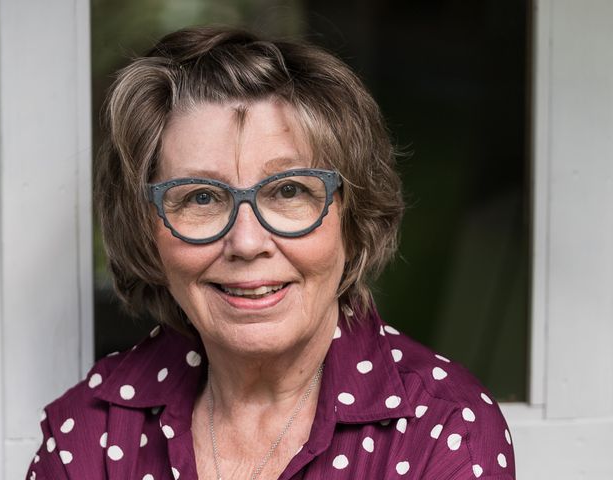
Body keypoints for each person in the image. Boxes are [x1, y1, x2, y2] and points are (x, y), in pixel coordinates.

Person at [26, 26, 515, 480]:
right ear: (145, 229)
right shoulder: (91, 431)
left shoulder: (443, 429)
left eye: (288, 191)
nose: (246, 243)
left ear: (353, 217)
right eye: (201, 197)